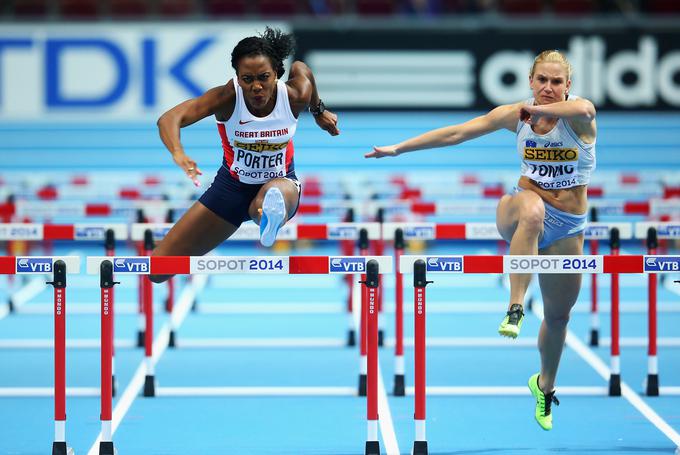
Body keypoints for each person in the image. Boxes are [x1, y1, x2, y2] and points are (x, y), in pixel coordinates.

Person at [365, 50, 596, 431]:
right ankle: (516, 306)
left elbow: (586, 109)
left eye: (557, 82)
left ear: (567, 86)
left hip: (569, 225)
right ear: (531, 81)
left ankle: (544, 385)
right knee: (533, 211)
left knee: (558, 317)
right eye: (542, 80)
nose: (549, 88)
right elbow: (457, 132)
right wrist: (398, 148)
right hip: (520, 209)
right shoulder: (515, 115)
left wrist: (544, 110)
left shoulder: (582, 119)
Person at [149, 27, 339, 282]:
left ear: (277, 75)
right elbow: (169, 118)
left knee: (269, 197)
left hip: (282, 184)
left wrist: (318, 111)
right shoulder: (227, 98)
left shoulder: (294, 96)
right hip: (230, 189)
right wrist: (178, 152)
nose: (257, 87)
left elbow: (302, 68)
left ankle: (268, 215)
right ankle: (264, 215)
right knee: (157, 271)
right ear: (237, 78)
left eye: (264, 77)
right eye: (247, 79)